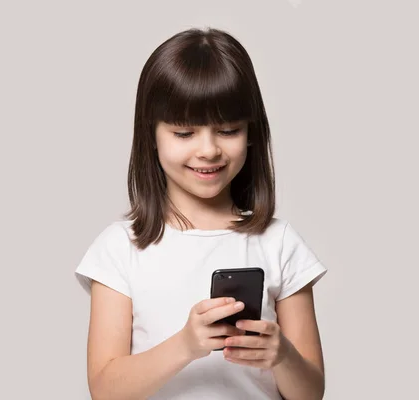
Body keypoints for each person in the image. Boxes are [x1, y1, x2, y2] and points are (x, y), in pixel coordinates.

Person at [75, 27, 328, 400]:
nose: (208, 150)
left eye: (228, 130)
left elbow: (310, 393)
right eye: (184, 133)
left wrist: (282, 355)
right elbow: (105, 390)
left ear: (251, 133)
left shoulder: (280, 243)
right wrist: (186, 345)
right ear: (152, 136)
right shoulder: (119, 248)